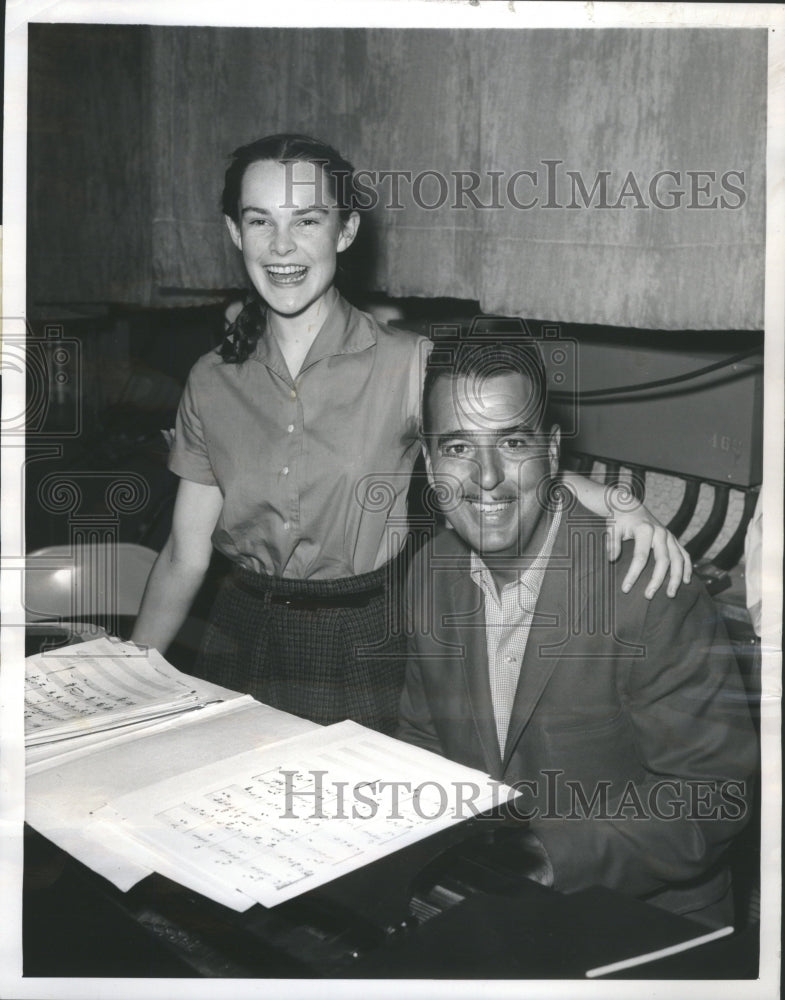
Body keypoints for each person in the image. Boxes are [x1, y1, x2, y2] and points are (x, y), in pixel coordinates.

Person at [132, 133, 692, 734]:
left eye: (308, 220)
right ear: (235, 233)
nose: (282, 245)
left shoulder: (410, 362)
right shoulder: (212, 380)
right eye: (260, 221)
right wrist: (130, 678)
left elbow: (502, 464)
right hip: (236, 630)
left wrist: (620, 504)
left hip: (362, 638)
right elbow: (183, 556)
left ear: (344, 233)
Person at [397, 336, 757, 926]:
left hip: (638, 922)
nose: (486, 477)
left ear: (551, 450)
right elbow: (423, 738)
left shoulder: (646, 586)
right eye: (459, 446)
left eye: (512, 442)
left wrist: (543, 860)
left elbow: (712, 796)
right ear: (432, 464)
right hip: (483, 903)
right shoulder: (429, 574)